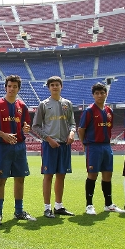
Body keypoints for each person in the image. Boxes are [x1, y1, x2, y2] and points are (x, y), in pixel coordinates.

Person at [0, 75, 36, 222]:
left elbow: (26, 125)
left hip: (20, 147)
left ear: (18, 89)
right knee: (1, 179)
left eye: (15, 86)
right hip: (3, 147)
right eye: (9, 86)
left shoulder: (22, 106)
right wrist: (3, 135)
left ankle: (19, 211)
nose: (11, 89)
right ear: (5, 87)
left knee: (20, 178)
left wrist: (27, 128)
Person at [78, 83, 125, 215]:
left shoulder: (109, 111)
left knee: (107, 175)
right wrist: (84, 144)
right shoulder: (89, 111)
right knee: (92, 175)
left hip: (106, 146)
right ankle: (89, 205)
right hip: (93, 146)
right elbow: (81, 130)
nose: (99, 95)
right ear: (93, 95)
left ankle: (108, 204)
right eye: (97, 93)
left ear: (106, 94)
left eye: (102, 93)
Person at [32, 76, 76, 218]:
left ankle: (59, 206)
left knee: (61, 176)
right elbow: (36, 126)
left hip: (64, 145)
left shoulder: (67, 104)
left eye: (57, 84)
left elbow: (73, 123)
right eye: (52, 85)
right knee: (48, 176)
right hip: (50, 145)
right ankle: (46, 208)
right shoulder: (43, 104)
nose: (55, 87)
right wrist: (48, 139)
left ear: (61, 86)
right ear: (49, 88)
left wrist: (71, 133)